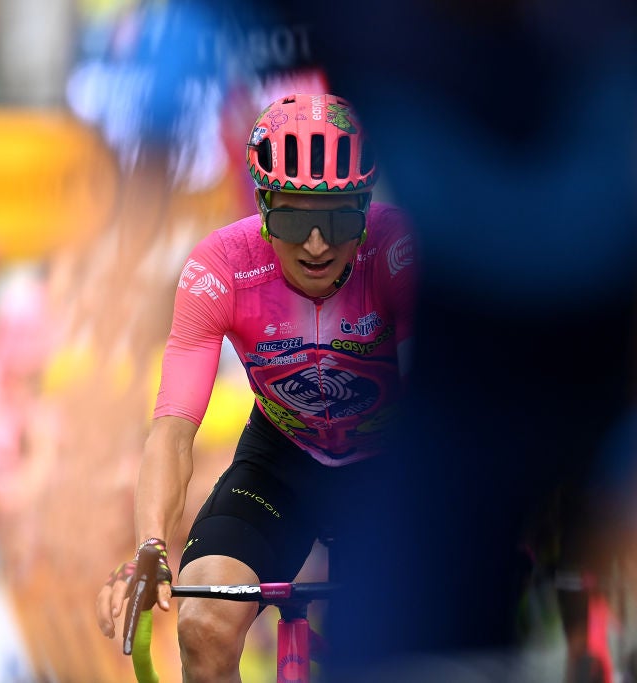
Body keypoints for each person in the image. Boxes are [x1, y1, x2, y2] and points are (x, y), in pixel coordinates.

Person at [94, 92, 416, 682]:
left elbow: (439, 399)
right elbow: (172, 431)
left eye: (340, 218)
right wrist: (151, 545)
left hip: (394, 463)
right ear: (264, 207)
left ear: (366, 210)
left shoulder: (397, 249)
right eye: (296, 218)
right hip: (283, 462)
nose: (317, 244)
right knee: (203, 621)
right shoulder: (221, 266)